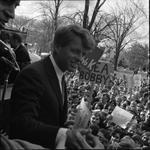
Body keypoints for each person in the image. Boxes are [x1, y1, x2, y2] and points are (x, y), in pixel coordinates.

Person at [9, 24, 104, 149]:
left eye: (83, 54)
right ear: (57, 46)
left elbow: (44, 118)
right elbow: (22, 124)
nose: (80, 59)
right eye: (75, 51)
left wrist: (63, 126)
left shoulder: (60, 74)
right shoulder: (33, 74)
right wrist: (64, 134)